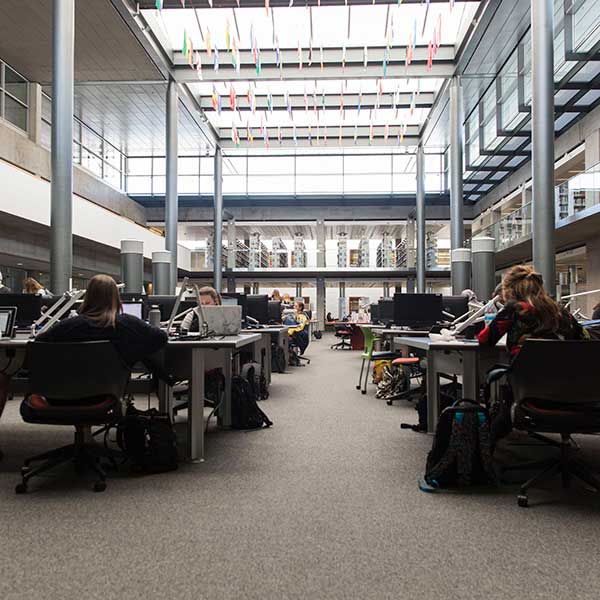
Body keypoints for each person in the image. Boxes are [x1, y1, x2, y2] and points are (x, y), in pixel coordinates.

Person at [36, 274, 167, 368]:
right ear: (116, 298)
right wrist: (131, 357)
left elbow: (39, 342)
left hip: (64, 394)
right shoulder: (128, 323)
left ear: (88, 297)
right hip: (110, 392)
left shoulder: (68, 326)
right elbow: (161, 337)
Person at [477, 265, 588, 359]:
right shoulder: (560, 310)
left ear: (509, 290)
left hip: (526, 377)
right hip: (567, 378)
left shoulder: (515, 309)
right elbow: (585, 338)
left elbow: (485, 340)